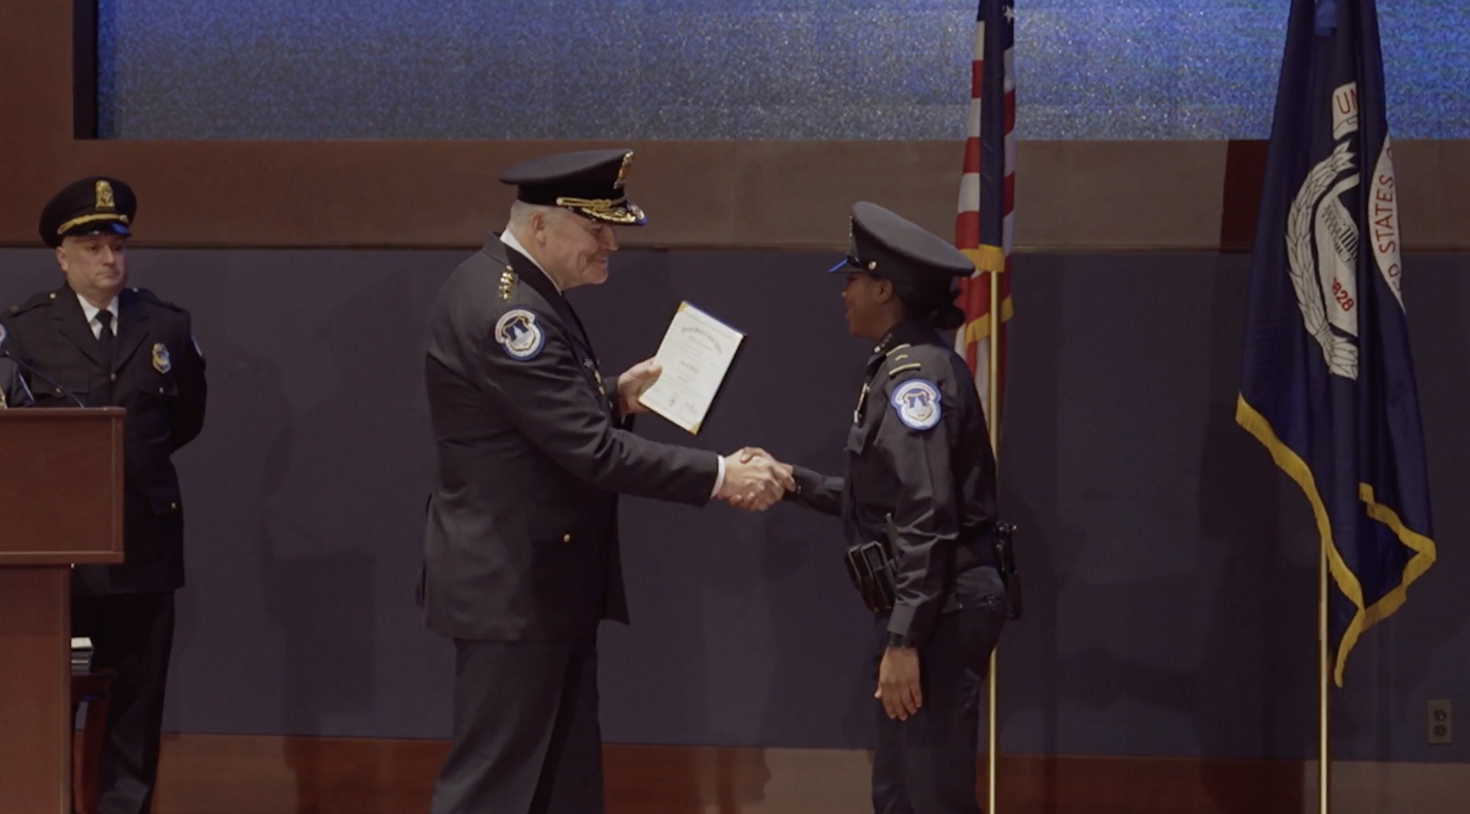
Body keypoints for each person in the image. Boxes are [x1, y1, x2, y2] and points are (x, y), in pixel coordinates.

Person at [420, 148, 793, 814]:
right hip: (514, 593)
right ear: (542, 229)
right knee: (492, 790)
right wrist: (719, 475)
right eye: (596, 229)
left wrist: (616, 395)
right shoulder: (511, 316)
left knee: (561, 786)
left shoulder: (525, 292)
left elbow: (535, 426)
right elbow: (590, 453)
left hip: (543, 587)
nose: (610, 243)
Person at [763, 202, 1009, 814]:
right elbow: (886, 502)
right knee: (902, 792)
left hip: (938, 609)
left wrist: (903, 641)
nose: (844, 293)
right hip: (932, 605)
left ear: (884, 288)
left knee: (928, 794)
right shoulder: (902, 367)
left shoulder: (915, 379)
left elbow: (927, 513)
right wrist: (792, 481)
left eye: (852, 279)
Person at [0, 176, 207, 814]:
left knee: (137, 706)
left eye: (117, 246)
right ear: (62, 257)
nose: (108, 260)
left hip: (142, 546)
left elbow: (184, 422)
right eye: (91, 247)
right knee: (43, 702)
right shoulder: (27, 331)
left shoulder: (167, 326)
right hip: (58, 562)